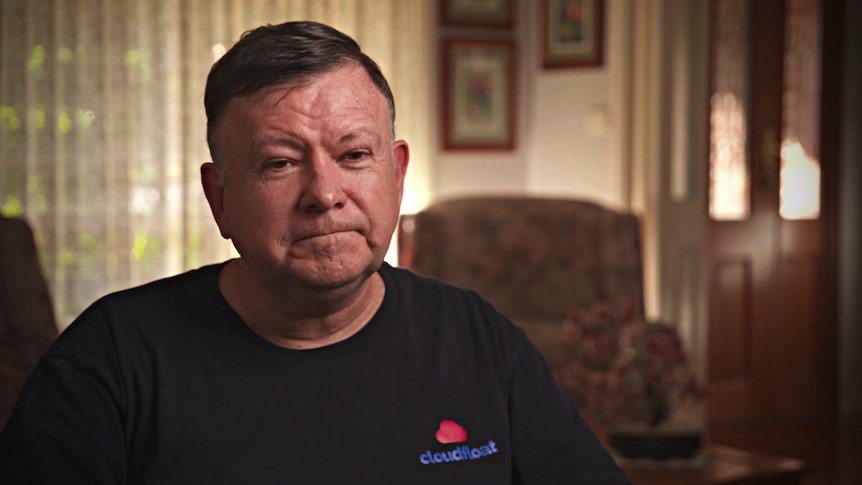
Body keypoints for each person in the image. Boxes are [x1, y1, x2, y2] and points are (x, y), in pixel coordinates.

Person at [0, 21, 630, 484]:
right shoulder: (107, 363)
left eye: (355, 155)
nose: (325, 194)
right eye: (279, 163)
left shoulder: (479, 339)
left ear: (396, 172)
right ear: (219, 197)